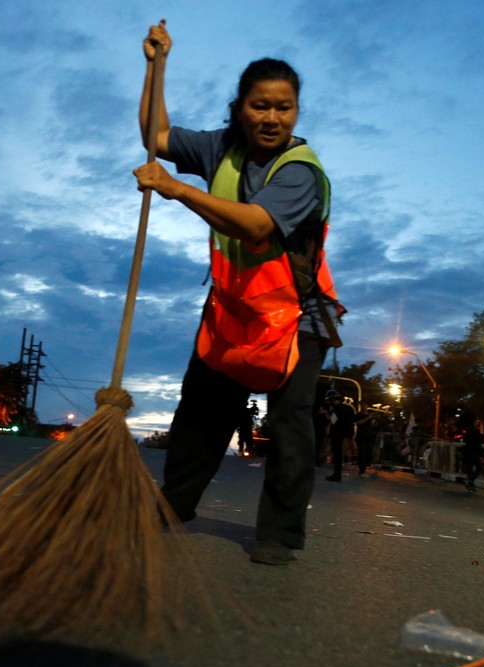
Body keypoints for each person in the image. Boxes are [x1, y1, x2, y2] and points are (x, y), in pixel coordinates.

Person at [134, 22, 346, 565]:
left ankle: (278, 534)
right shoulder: (221, 149)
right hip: (233, 310)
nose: (272, 118)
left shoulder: (302, 170)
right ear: (240, 108)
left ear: (296, 112)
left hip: (297, 314)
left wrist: (176, 188)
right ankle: (173, 504)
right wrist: (156, 66)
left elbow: (254, 225)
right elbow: (155, 136)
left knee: (290, 422)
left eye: (284, 107)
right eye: (260, 106)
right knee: (201, 410)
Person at [325, 394, 357, 482]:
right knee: (342, 452)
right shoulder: (349, 408)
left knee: (337, 453)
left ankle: (337, 474)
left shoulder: (336, 408)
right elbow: (353, 419)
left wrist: (326, 414)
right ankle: (338, 472)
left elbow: (333, 420)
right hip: (347, 434)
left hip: (337, 433)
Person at [459, 423, 484, 493]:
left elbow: (466, 441)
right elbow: (479, 442)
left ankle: (470, 485)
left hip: (468, 452)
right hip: (474, 452)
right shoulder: (476, 432)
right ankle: (470, 480)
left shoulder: (468, 432)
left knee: (470, 469)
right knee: (479, 467)